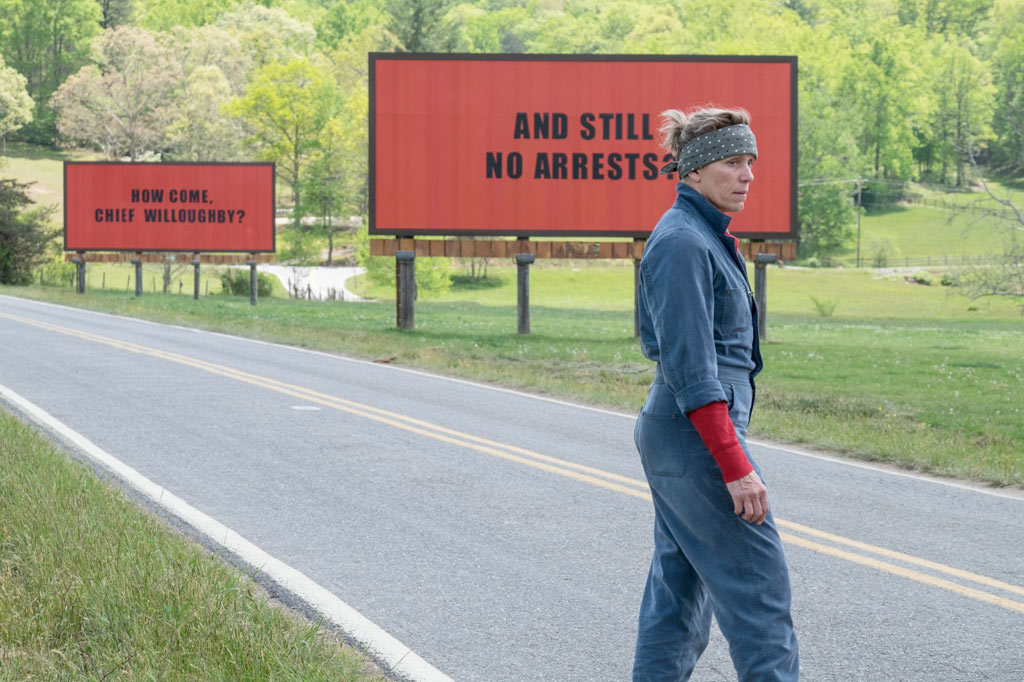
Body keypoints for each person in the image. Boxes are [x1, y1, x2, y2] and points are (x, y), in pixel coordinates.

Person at [632, 106, 799, 681]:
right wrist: (734, 464)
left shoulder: (701, 236)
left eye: (751, 161)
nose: (748, 174)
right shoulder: (682, 243)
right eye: (733, 161)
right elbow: (692, 371)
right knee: (760, 597)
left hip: (687, 433)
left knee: (679, 597)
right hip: (694, 433)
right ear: (695, 172)